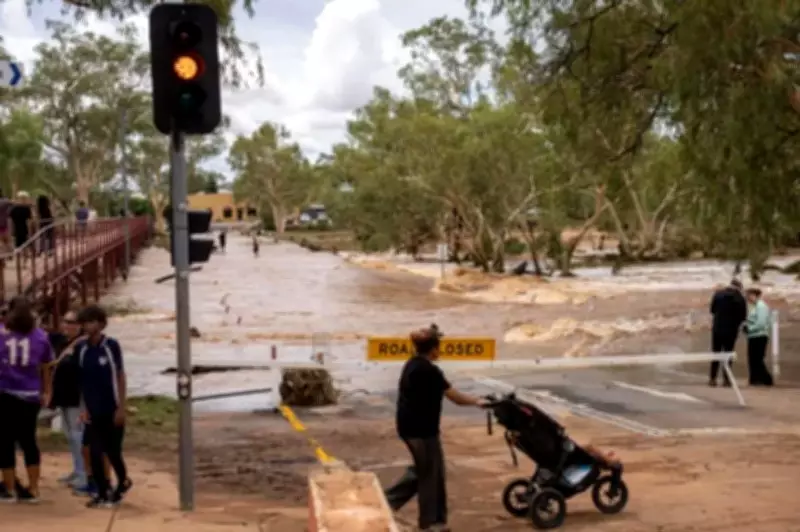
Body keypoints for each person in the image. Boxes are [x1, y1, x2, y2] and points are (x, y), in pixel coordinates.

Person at [384, 324, 485, 532]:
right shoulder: (429, 371)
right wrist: (477, 401)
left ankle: (388, 501)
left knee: (426, 470)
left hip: (411, 428)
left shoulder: (411, 365)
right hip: (421, 431)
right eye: (439, 347)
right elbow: (455, 398)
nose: (440, 351)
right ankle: (431, 523)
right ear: (433, 349)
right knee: (430, 474)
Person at [75, 304, 132, 508]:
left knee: (113, 451)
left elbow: (120, 375)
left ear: (100, 323)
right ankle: (101, 490)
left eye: (91, 322)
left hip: (111, 407)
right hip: (92, 409)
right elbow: (81, 380)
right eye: (85, 322)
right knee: (94, 451)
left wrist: (121, 407)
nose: (88, 326)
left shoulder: (111, 346)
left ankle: (123, 480)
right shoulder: (81, 349)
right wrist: (83, 408)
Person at [0, 296, 54, 503]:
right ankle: (33, 488)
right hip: (30, 394)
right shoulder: (41, 337)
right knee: (28, 440)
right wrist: (47, 390)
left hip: (5, 391)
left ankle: (9, 489)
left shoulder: (2, 335)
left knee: (4, 440)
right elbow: (46, 365)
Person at [48, 311, 96, 495]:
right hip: (65, 396)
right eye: (66, 321)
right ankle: (77, 471)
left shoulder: (83, 345)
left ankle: (85, 474)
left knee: (79, 436)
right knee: (70, 435)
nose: (68, 325)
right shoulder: (63, 341)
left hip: (78, 397)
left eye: (73, 322)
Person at [708, 279, 747, 387]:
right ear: (739, 287)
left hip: (717, 328)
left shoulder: (718, 294)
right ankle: (726, 379)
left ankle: (712, 378)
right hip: (731, 330)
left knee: (716, 353)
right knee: (728, 354)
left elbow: (712, 310)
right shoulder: (740, 298)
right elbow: (743, 316)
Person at [744, 288, 774, 386]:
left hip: (759, 335)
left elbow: (761, 323)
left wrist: (750, 328)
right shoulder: (754, 306)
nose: (747, 298)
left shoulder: (761, 307)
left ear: (754, 295)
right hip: (753, 336)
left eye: (748, 295)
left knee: (757, 359)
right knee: (752, 358)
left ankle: (767, 379)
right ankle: (754, 379)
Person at [9, 191, 33, 257]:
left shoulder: (14, 208)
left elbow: (10, 220)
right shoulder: (26, 208)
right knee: (24, 245)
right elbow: (29, 221)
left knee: (18, 246)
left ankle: (20, 262)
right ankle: (23, 262)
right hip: (23, 229)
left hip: (17, 229)